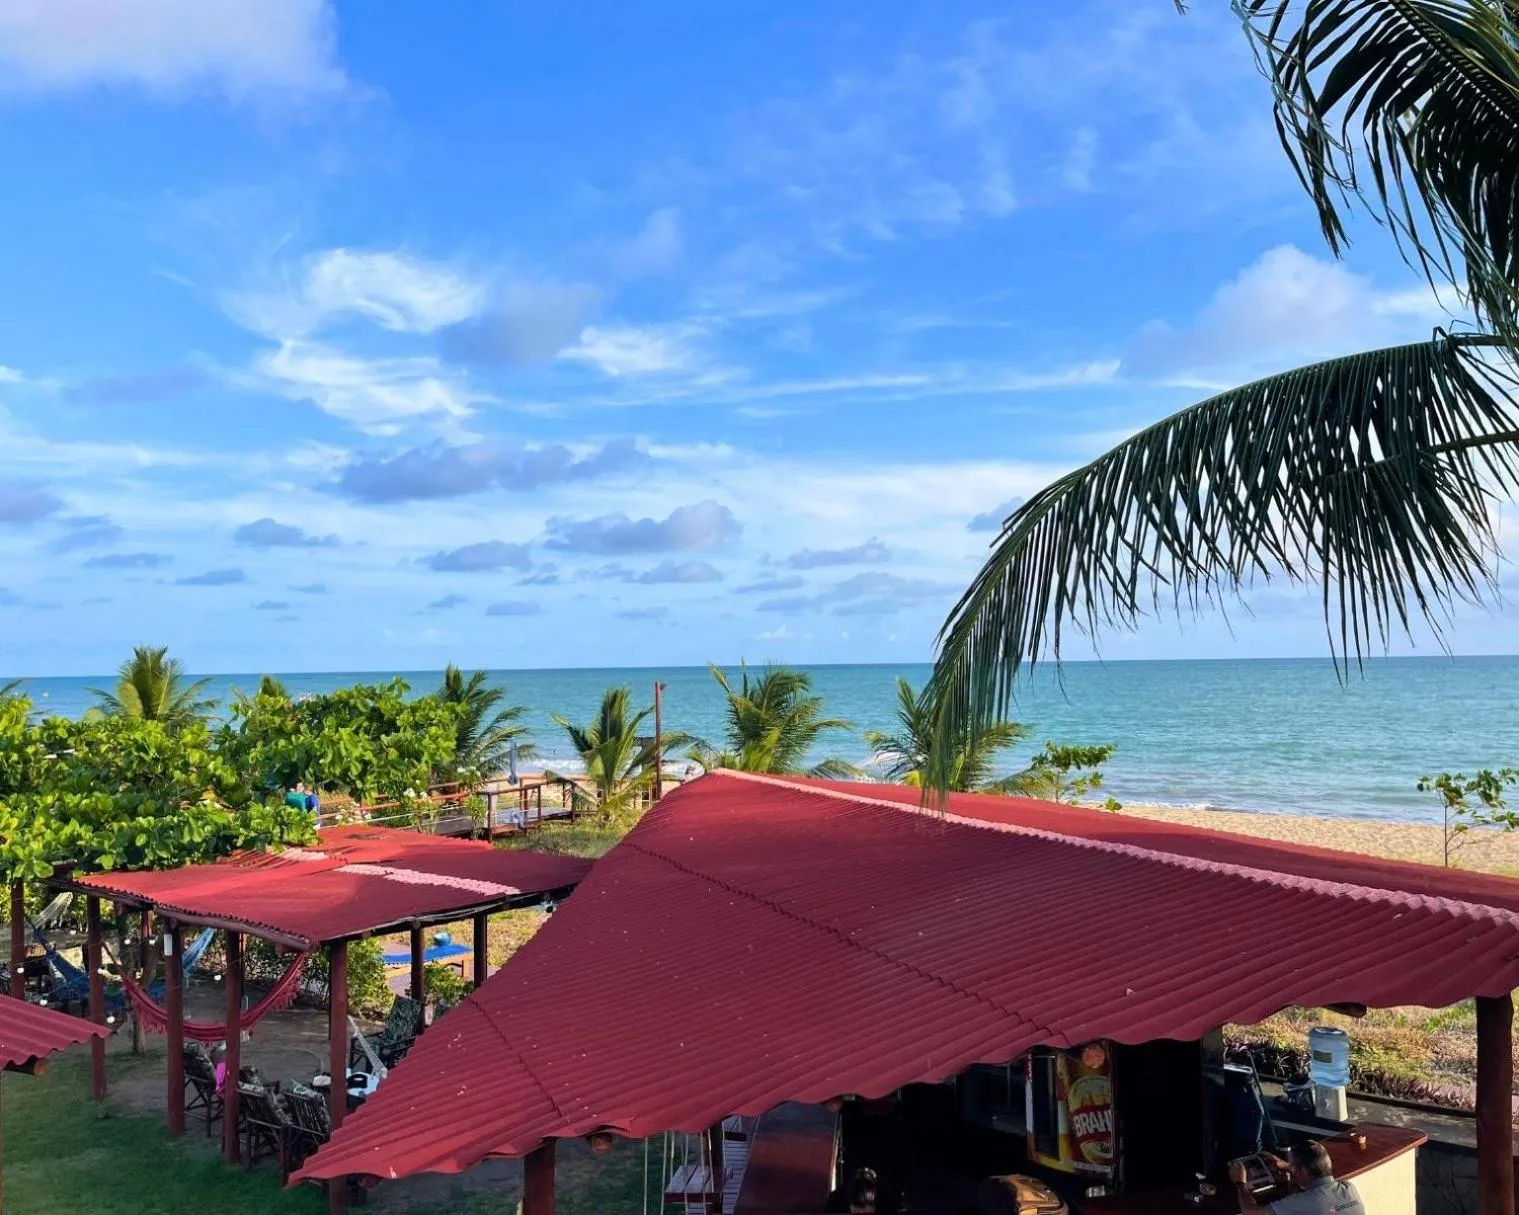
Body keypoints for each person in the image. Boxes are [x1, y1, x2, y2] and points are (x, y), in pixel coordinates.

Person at [1229, 1141, 1365, 1214]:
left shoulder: (1303, 1202)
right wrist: (1288, 1167)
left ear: (1303, 1170)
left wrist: (1240, 1182)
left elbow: (1250, 1212)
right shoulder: (1348, 1188)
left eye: (1295, 1168)